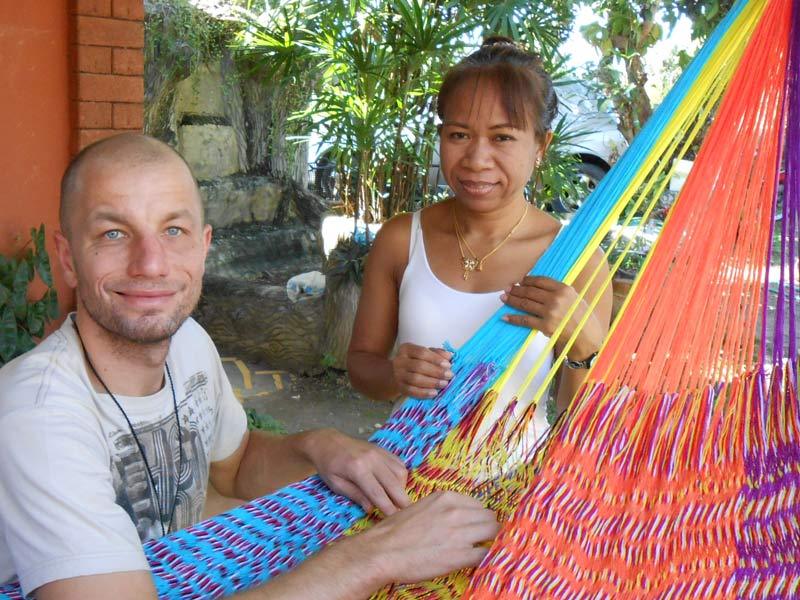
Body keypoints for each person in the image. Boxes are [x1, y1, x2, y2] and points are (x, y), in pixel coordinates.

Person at [0, 133, 499, 599]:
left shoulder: (188, 343)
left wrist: (316, 446)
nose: (150, 263)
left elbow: (234, 466)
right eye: (113, 233)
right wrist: (378, 555)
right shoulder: (37, 416)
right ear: (67, 258)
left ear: (204, 244)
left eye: (173, 229)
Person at [347, 38, 613, 443]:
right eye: (458, 135)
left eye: (502, 138)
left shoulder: (576, 261)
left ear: (541, 145)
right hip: (402, 475)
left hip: (513, 489)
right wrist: (395, 375)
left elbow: (584, 430)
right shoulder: (402, 239)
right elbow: (363, 368)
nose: (476, 159)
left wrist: (584, 350)